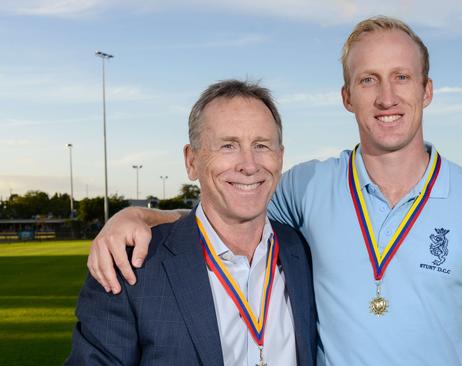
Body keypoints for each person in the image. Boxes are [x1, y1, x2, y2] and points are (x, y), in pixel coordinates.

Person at [87, 16, 462, 365]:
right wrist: (136, 217)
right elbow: (232, 208)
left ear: (427, 90)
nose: (386, 96)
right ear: (347, 96)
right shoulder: (308, 186)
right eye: (368, 79)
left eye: (402, 77)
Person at [66, 80, 317, 365]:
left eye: (261, 145)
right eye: (228, 146)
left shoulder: (304, 253)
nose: (249, 164)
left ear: (280, 157)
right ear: (191, 161)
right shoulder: (131, 267)